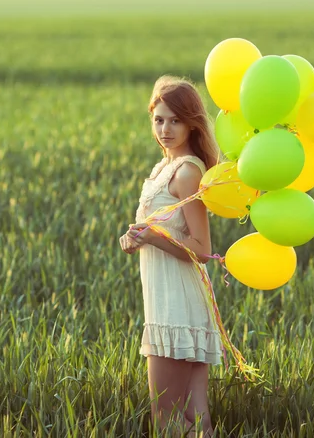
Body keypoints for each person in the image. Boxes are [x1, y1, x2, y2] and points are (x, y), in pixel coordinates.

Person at [119, 75, 222, 437]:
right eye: (159, 119)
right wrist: (137, 239)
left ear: (191, 122)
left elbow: (202, 250)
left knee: (168, 420)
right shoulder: (162, 169)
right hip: (170, 299)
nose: (165, 128)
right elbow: (159, 229)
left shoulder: (188, 171)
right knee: (196, 419)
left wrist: (154, 237)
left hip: (175, 305)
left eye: (175, 120)